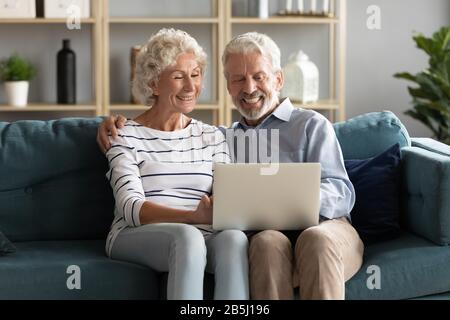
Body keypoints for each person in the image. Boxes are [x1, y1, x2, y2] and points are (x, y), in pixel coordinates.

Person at [97, 32, 364, 300]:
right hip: (264, 235)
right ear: (228, 86)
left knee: (312, 240)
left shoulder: (310, 125)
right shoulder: (225, 137)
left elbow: (341, 190)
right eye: (238, 79)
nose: (249, 88)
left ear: (278, 79)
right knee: (265, 243)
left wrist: (290, 204)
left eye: (259, 76)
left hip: (324, 227)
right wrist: (112, 122)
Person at [102, 28, 249, 300]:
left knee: (234, 240)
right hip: (137, 233)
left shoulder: (212, 136)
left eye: (195, 75)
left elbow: (228, 198)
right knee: (187, 237)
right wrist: (191, 218)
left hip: (202, 231)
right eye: (179, 76)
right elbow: (130, 208)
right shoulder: (124, 134)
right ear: (153, 84)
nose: (191, 86)